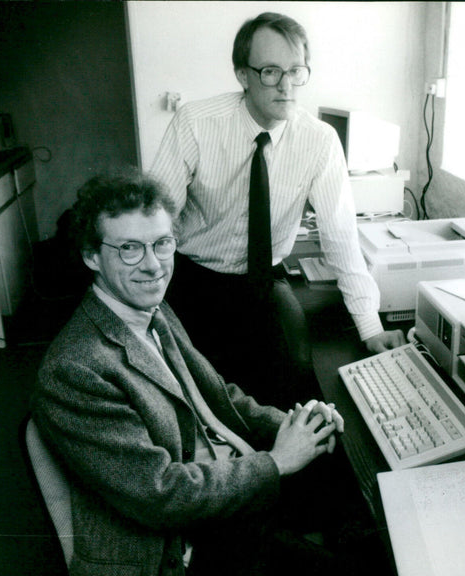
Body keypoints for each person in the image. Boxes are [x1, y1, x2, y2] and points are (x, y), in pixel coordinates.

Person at [30, 169, 374, 576]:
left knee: (354, 484)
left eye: (162, 243)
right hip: (181, 555)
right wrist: (278, 461)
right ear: (92, 256)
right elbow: (162, 494)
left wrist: (293, 425)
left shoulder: (152, 309)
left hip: (225, 493)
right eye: (130, 249)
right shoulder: (75, 369)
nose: (153, 264)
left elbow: (218, 396)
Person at [150, 12, 405, 408]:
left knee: (297, 372)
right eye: (270, 71)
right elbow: (155, 224)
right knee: (184, 382)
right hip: (193, 276)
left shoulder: (319, 141)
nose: (286, 86)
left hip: (264, 280)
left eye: (296, 71)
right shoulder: (196, 124)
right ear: (243, 74)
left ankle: (284, 460)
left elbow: (341, 239)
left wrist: (371, 327)